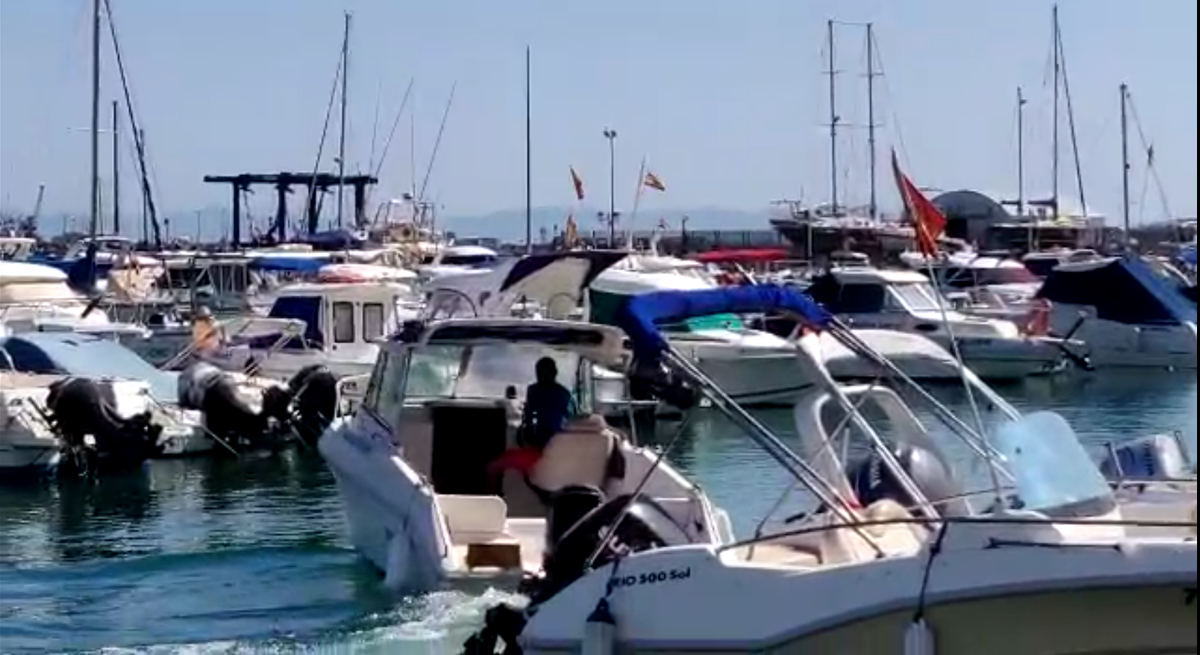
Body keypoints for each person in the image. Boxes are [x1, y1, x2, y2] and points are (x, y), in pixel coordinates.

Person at [521, 357, 577, 450]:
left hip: (537, 439)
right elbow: (571, 417)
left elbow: (528, 415)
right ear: (555, 372)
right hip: (556, 440)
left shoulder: (532, 391)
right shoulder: (563, 393)